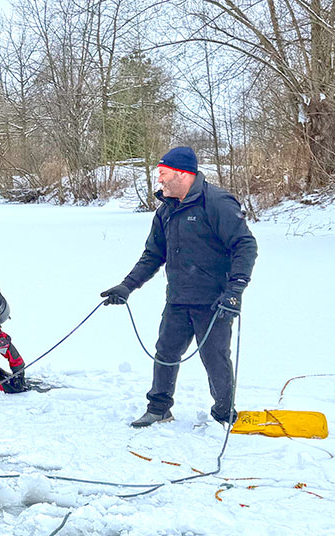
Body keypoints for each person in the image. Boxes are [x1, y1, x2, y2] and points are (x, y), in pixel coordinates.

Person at [101, 146, 258, 428]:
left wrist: (235, 292)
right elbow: (153, 255)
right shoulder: (166, 211)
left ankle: (224, 413)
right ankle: (159, 408)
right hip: (178, 298)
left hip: (215, 301)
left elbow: (245, 245)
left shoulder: (216, 203)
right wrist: (127, 286)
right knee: (166, 352)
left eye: (163, 173)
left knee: (215, 358)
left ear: (183, 174)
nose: (159, 179)